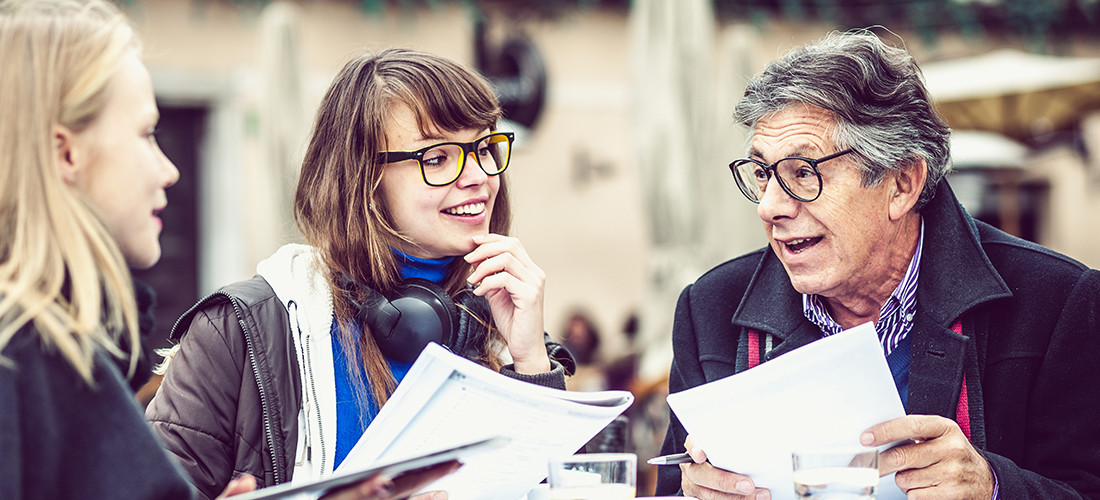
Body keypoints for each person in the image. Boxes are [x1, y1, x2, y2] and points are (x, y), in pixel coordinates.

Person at [0, 2, 455, 499]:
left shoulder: (59, 350)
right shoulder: (29, 363)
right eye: (147, 134)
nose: (168, 169)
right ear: (67, 153)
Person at [655, 30, 1100, 500]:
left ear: (902, 183)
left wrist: (994, 487)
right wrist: (691, 495)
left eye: (803, 173)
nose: (769, 207)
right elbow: (670, 486)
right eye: (763, 173)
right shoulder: (710, 310)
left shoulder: (1058, 303)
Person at [146, 48, 574, 500]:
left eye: (485, 148)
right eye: (437, 158)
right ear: (364, 178)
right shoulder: (238, 330)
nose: (478, 176)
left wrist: (531, 365)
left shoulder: (496, 322)